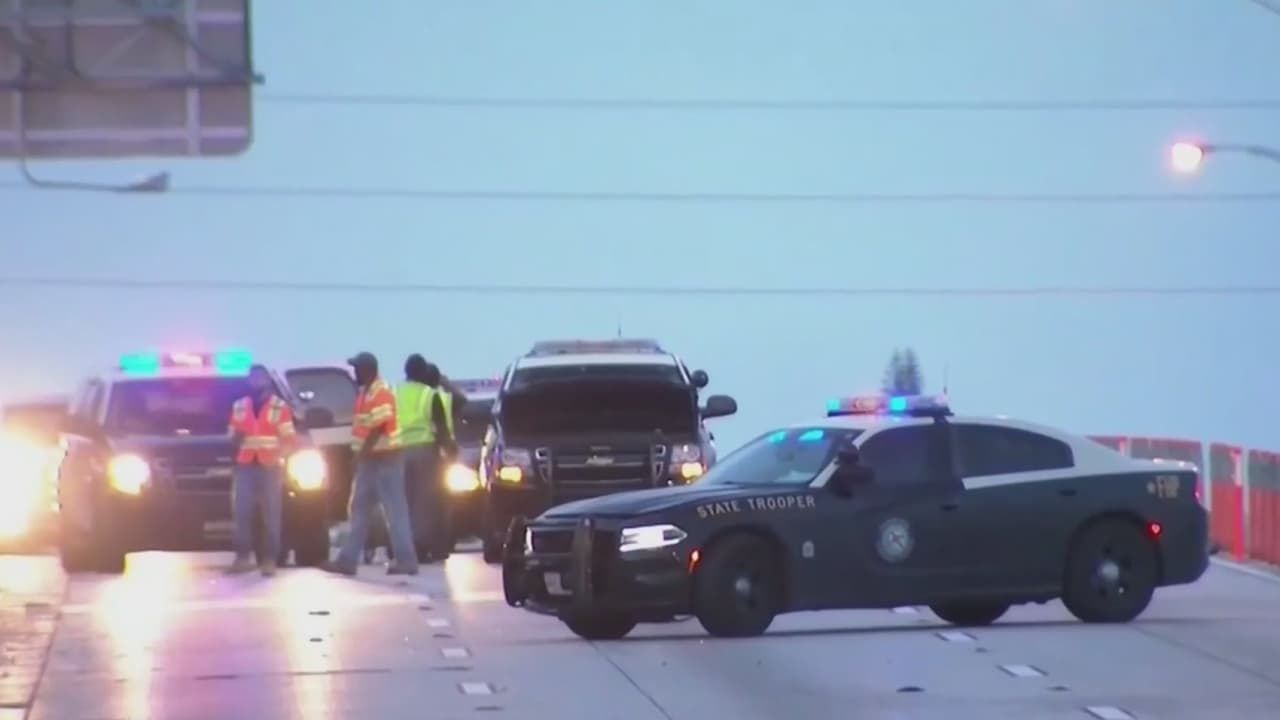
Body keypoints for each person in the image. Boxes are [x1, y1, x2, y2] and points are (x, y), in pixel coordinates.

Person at [324, 352, 419, 576]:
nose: (355, 373)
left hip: (386, 457)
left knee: (394, 511)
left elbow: (380, 425)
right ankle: (347, 561)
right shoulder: (366, 393)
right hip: (371, 459)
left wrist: (362, 453)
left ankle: (407, 561)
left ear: (367, 370)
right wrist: (360, 455)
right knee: (359, 510)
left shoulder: (380, 391)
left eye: (357, 369)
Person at [226, 364, 297, 577]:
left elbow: (289, 439)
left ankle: (269, 560)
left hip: (269, 467)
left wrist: (278, 456)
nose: (256, 381)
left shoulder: (279, 407)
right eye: (253, 377)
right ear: (248, 381)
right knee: (242, 512)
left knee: (271, 514)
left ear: (267, 381)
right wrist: (236, 437)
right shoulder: (239, 406)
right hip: (246, 465)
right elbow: (231, 435)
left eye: (260, 377)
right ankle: (242, 558)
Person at [395, 357, 460, 562]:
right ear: (423, 373)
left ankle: (402, 544)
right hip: (424, 452)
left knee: (403, 501)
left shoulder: (394, 393)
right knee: (425, 502)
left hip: (397, 453)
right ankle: (420, 546)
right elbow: (440, 427)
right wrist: (450, 450)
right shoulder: (429, 395)